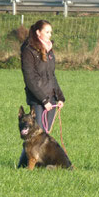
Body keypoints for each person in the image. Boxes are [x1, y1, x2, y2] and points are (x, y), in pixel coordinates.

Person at [18, 20, 65, 168]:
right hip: (37, 99)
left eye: (51, 32)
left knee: (44, 135)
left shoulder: (49, 51)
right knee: (33, 136)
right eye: (47, 32)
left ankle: (37, 165)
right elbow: (30, 78)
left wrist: (59, 96)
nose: (50, 35)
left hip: (50, 98)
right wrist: (44, 99)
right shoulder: (28, 50)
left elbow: (51, 76)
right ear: (38, 32)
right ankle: (23, 166)